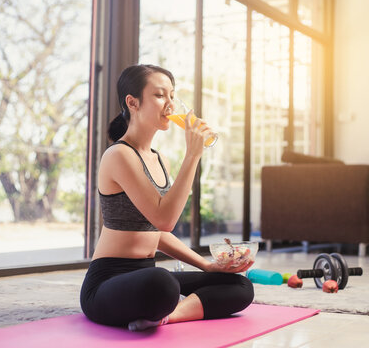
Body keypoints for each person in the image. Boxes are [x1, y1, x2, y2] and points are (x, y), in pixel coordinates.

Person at [80, 64, 254, 331]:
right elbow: (165, 220)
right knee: (162, 284)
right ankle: (161, 308)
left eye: (172, 96)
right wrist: (193, 155)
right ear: (133, 102)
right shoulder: (119, 155)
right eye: (161, 95)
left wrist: (208, 266)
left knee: (241, 286)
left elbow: (156, 232)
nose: (171, 104)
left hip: (146, 275)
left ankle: (167, 317)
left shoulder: (160, 160)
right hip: (107, 281)